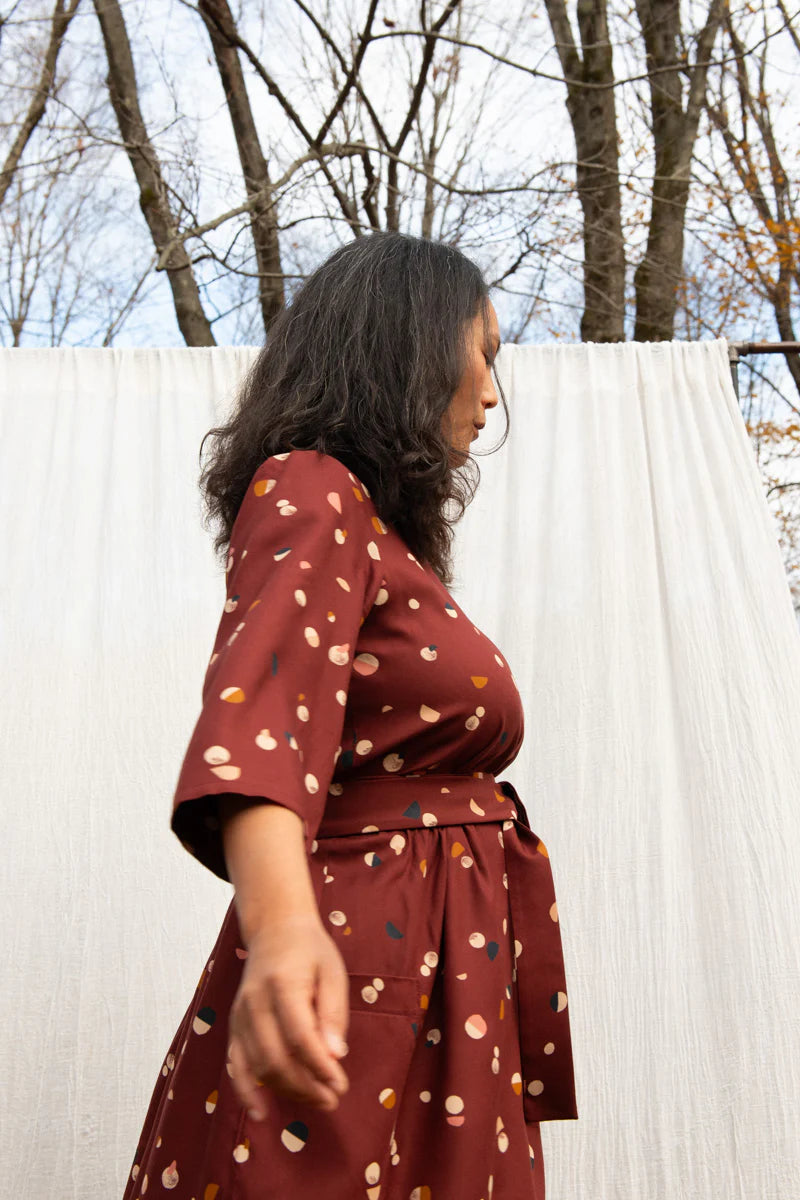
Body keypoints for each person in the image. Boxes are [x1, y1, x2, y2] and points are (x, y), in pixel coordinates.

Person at [122, 232, 577, 1200]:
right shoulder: (308, 487)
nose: (491, 393)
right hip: (369, 951)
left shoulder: (373, 531)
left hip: (442, 962)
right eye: (484, 351)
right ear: (406, 347)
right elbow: (257, 720)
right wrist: (284, 932)